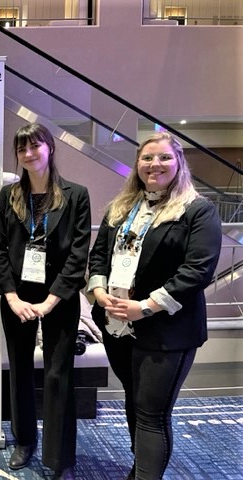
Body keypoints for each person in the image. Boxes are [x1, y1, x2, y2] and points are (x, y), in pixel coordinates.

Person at [87, 132, 222, 480]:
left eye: (164, 157)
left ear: (178, 163)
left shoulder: (197, 210)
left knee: (151, 413)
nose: (155, 164)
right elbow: (99, 255)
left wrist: (144, 307)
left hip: (167, 330)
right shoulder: (122, 208)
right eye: (147, 158)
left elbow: (197, 271)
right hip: (118, 326)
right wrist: (99, 294)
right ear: (137, 164)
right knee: (135, 401)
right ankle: (140, 470)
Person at [0, 123, 91, 480]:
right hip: (17, 297)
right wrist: (12, 297)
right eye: (22, 149)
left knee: (57, 374)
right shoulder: (9, 196)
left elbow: (79, 255)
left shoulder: (76, 195)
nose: (29, 154)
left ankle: (59, 455)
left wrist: (50, 302)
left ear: (50, 148)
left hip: (59, 298)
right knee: (19, 369)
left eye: (35, 146)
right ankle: (25, 440)